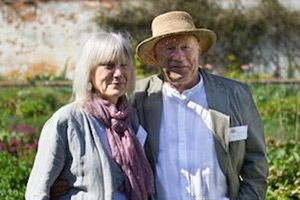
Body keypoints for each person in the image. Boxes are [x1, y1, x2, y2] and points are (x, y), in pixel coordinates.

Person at [132, 11, 268, 200]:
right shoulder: (138, 98)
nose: (178, 57)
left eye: (186, 47)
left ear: (198, 49)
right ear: (155, 55)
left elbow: (256, 163)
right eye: (169, 48)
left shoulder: (235, 95)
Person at [25, 31, 154, 200]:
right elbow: (37, 192)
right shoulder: (68, 120)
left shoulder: (132, 119)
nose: (118, 73)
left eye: (124, 65)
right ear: (89, 70)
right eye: (109, 65)